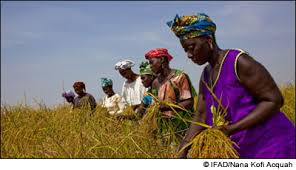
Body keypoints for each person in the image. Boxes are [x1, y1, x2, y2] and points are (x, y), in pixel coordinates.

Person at [167, 13, 295, 158]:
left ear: (209, 40)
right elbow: (201, 115)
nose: (189, 55)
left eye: (192, 47)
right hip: (244, 149)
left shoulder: (238, 62)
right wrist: (184, 147)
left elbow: (274, 100)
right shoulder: (206, 75)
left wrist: (231, 129)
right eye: (186, 51)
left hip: (272, 146)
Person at [145, 48, 197, 144]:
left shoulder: (179, 77)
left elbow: (189, 103)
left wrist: (167, 107)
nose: (150, 66)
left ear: (161, 60)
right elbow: (154, 104)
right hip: (164, 130)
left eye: (151, 62)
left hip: (182, 129)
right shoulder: (155, 83)